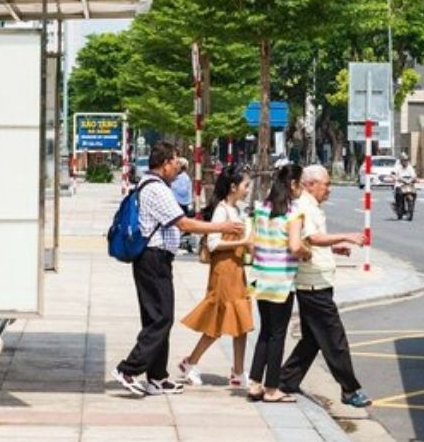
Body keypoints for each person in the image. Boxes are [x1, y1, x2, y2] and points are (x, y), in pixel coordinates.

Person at [112, 142, 245, 397]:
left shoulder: (150, 184)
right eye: (175, 162)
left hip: (154, 259)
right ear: (165, 164)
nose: (178, 166)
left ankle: (157, 378)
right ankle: (127, 369)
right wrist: (222, 228)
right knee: (162, 319)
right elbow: (184, 224)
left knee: (157, 318)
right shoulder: (157, 189)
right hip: (154, 259)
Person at [278, 165, 371, 407]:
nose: (329, 189)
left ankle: (286, 380)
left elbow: (315, 240)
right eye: (326, 184)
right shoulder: (304, 206)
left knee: (312, 339)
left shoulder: (311, 206)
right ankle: (349, 389)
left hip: (318, 281)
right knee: (334, 337)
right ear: (310, 185)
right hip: (313, 284)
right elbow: (312, 238)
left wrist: (334, 247)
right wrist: (346, 236)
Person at [177, 165, 255, 388]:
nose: (248, 189)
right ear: (233, 187)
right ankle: (190, 362)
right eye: (245, 185)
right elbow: (213, 244)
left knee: (242, 323)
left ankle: (238, 372)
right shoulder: (222, 211)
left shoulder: (237, 210)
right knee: (216, 323)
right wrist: (243, 242)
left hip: (237, 271)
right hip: (223, 273)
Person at [247, 164, 308, 403]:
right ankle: (272, 388)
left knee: (265, 331)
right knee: (278, 334)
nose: (302, 188)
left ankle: (254, 383)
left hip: (261, 278)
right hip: (282, 280)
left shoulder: (262, 209)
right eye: (300, 183)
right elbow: (295, 246)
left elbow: (251, 244)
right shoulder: (293, 213)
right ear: (292, 185)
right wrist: (306, 253)